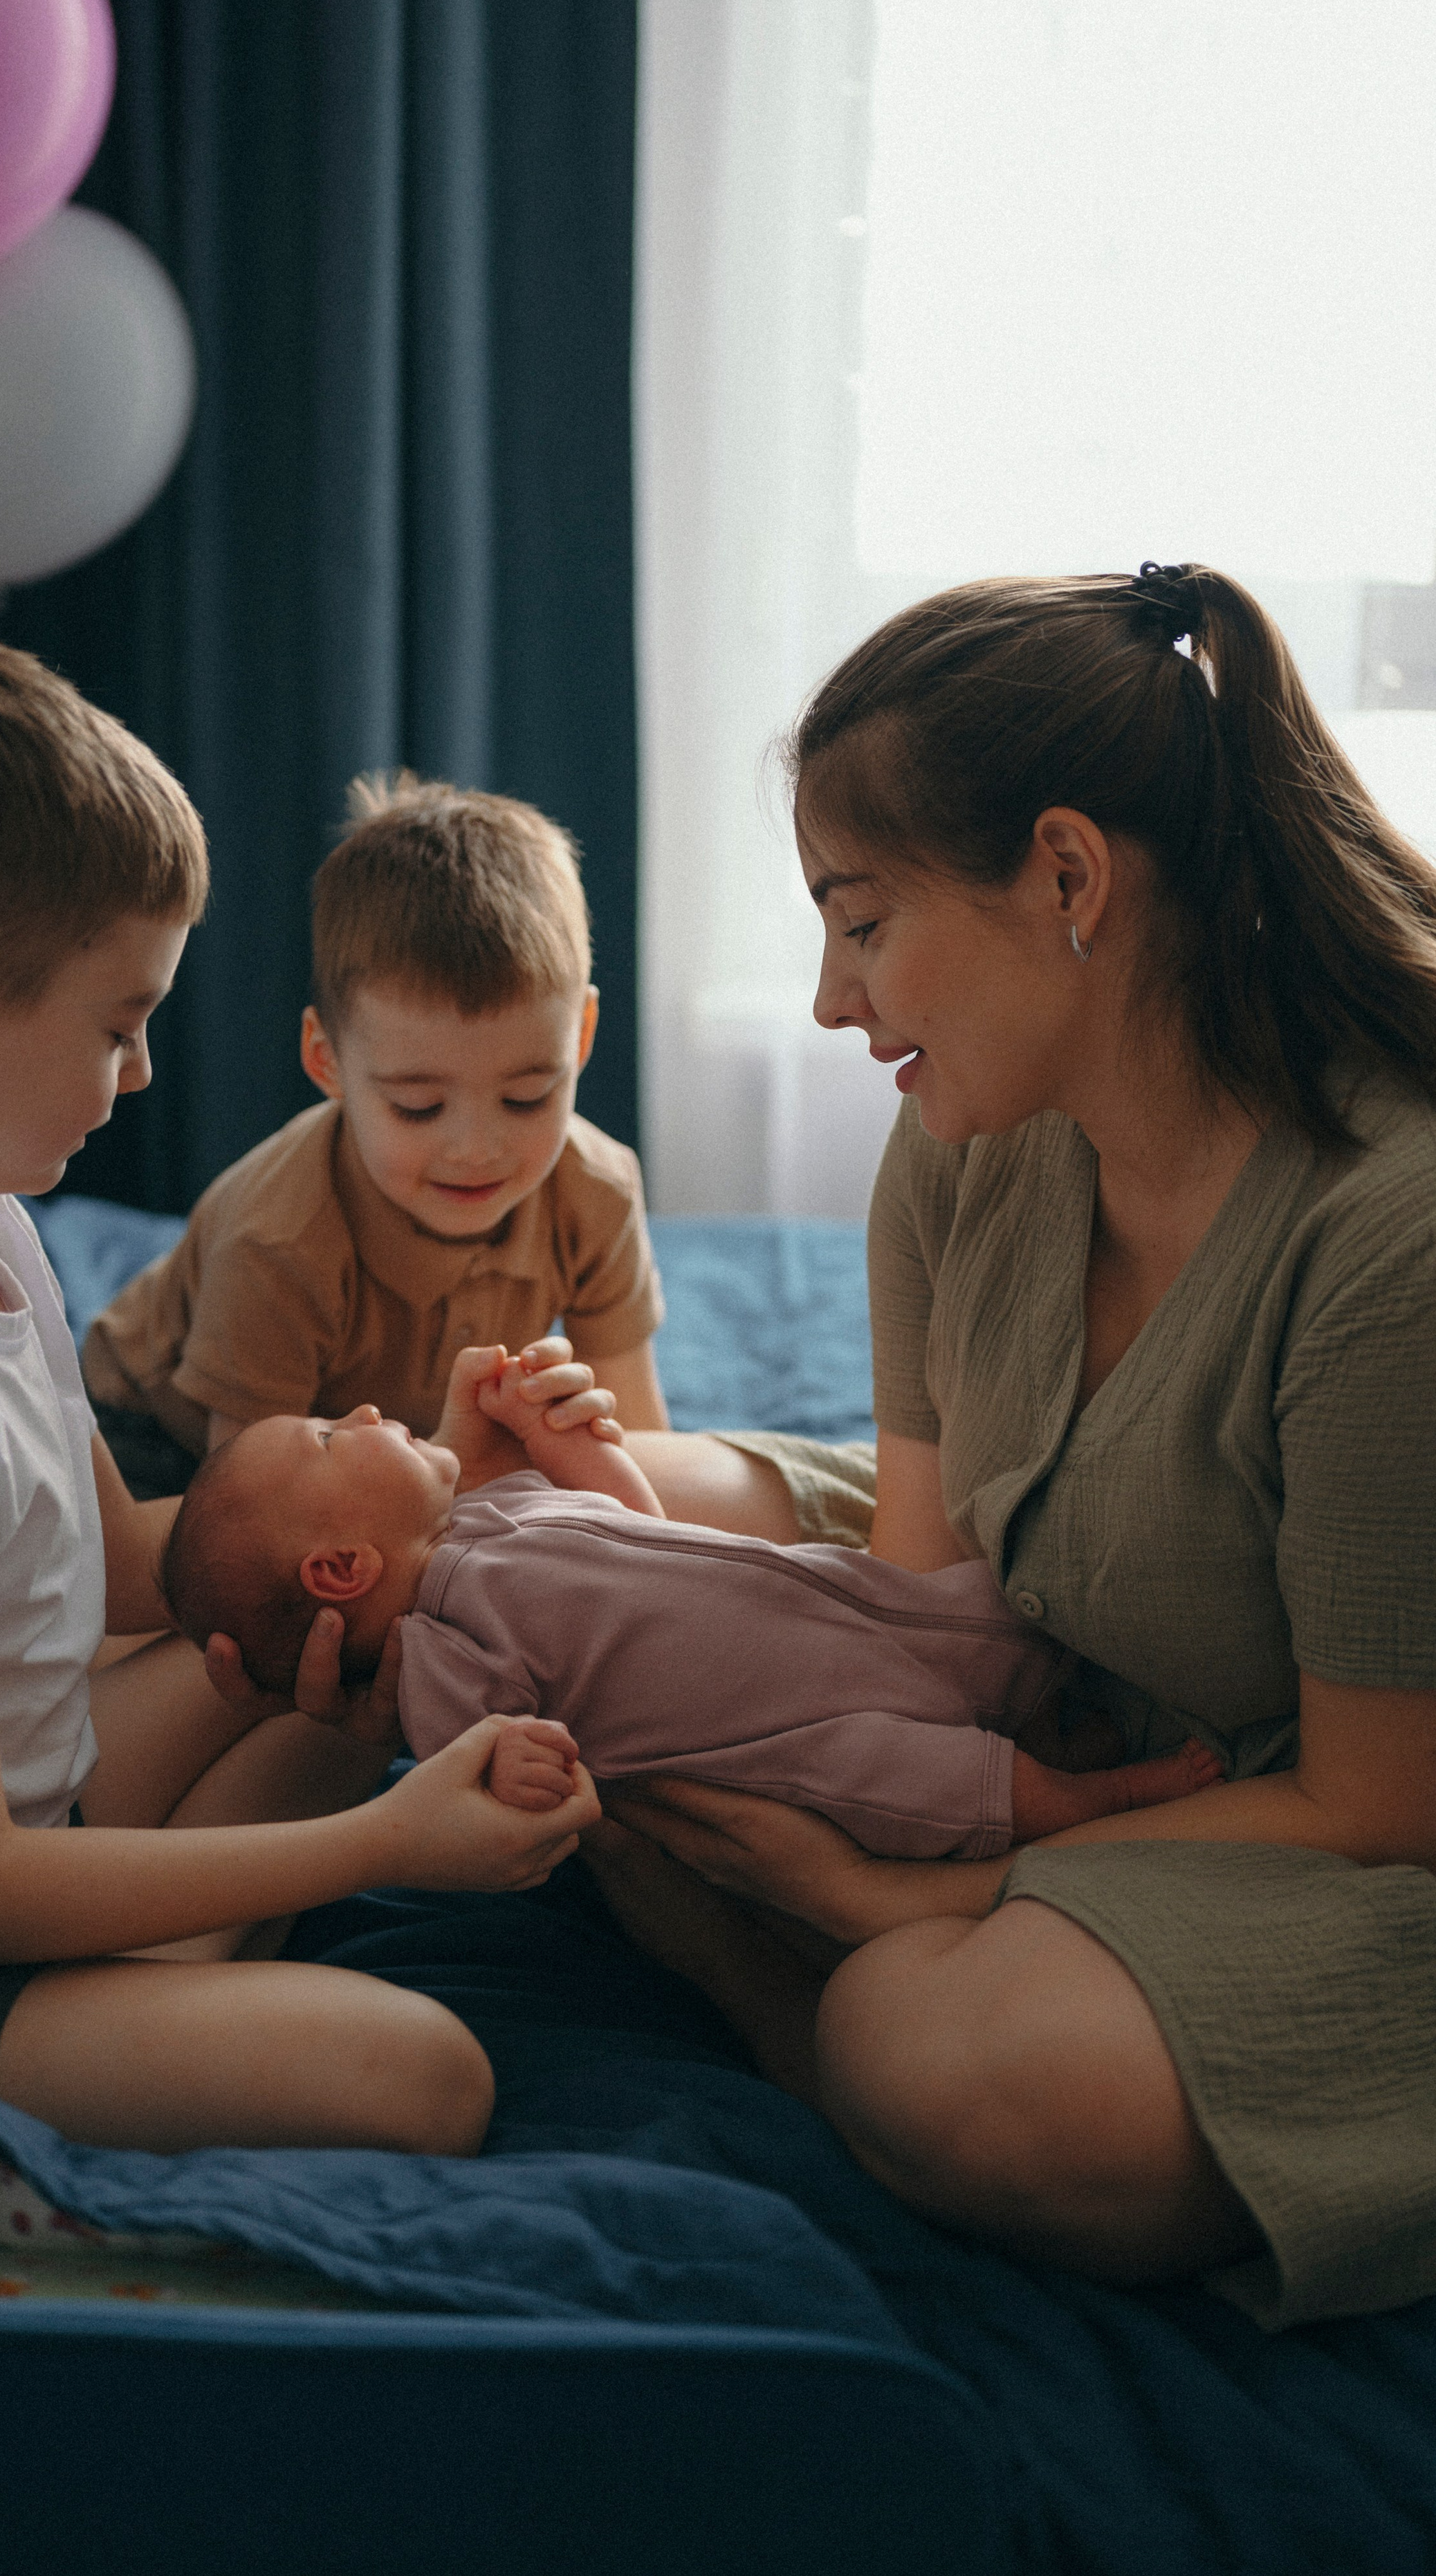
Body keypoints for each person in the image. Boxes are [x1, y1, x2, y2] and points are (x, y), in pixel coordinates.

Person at [593, 563, 1436, 2332]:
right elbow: (929, 1607)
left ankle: (820, 2018)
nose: (832, 999)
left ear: (1065, 874)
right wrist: (851, 1757)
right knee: (560, 1564)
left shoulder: (1384, 1227)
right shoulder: (966, 1135)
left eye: (862, 918)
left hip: (1347, 1826)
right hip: (1066, 1647)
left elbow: (1374, 1802)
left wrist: (903, 1879)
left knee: (957, 2060)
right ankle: (840, 1986)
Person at [0, 627, 598, 2157]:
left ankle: (156, 1972)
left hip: (37, 1802)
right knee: (426, 2075)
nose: (145, 1072)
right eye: (117, 1025)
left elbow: (126, 1567)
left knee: (370, 1640)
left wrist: (419, 1477)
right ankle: (153, 1982)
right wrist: (378, 1843)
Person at [163, 1351, 1222, 1862]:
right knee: (934, 1779)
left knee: (981, 1611)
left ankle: (1125, 1669)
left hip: (818, 1606)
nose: (355, 1410)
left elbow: (646, 1528)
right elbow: (481, 1759)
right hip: (787, 1731)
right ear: (340, 1570)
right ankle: (1107, 1803)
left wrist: (582, 1455)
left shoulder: (492, 1515)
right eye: (323, 1438)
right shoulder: (437, 1657)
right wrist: (512, 1765)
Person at [83, 771, 670, 1501]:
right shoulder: (279, 1242)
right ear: (326, 1059)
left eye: (528, 1096)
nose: (475, 1147)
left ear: (579, 1034)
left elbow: (643, 1437)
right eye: (419, 1106)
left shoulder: (598, 1191)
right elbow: (255, 1505)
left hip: (396, 1440)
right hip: (158, 1432)